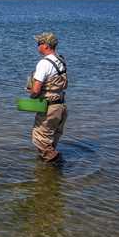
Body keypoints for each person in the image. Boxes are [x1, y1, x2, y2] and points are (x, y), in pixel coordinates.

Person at [26, 32, 68, 162]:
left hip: (48, 108)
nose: (37, 46)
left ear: (45, 45)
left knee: (39, 138)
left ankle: (57, 164)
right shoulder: (60, 60)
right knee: (51, 140)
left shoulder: (43, 63)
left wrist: (32, 93)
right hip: (61, 107)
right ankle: (50, 173)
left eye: (39, 44)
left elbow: (36, 90)